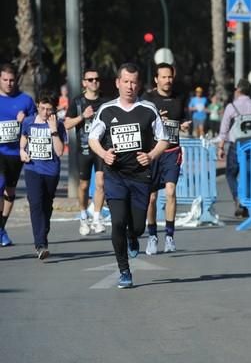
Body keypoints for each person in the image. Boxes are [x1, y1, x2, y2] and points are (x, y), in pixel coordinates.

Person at [88, 62, 169, 288]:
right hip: (115, 175)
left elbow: (164, 139)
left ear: (139, 84)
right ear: (117, 83)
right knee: (118, 222)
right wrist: (104, 154)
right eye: (125, 82)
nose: (129, 86)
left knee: (137, 227)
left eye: (133, 82)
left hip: (140, 176)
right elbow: (93, 139)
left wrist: (151, 156)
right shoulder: (106, 110)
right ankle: (124, 271)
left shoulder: (148, 109)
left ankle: (133, 238)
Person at [142, 63, 191, 255]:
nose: (167, 80)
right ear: (156, 79)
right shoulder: (147, 99)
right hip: (152, 153)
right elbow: (141, 124)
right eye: (163, 77)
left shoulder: (179, 97)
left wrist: (185, 125)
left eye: (170, 77)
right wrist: (155, 120)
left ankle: (169, 236)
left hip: (172, 151)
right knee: (151, 197)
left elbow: (184, 119)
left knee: (170, 191)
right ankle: (152, 236)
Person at [19, 95, 67, 260]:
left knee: (46, 206)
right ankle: (40, 244)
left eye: (49, 109)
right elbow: (24, 136)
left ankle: (43, 233)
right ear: (37, 107)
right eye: (43, 108)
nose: (46, 112)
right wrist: (22, 151)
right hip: (32, 168)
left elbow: (60, 151)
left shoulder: (58, 125)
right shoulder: (28, 122)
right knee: (35, 204)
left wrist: (53, 130)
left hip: (51, 171)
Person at [64, 67, 110, 236]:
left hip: (101, 148)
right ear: (84, 83)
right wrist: (83, 116)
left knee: (100, 182)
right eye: (90, 79)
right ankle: (84, 217)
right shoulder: (77, 102)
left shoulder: (106, 103)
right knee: (83, 185)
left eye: (96, 79)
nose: (94, 82)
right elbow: (66, 124)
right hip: (84, 148)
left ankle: (97, 218)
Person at [216, 78, 251, 218]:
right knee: (249, 175)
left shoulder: (231, 107)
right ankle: (247, 203)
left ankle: (238, 198)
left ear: (238, 90)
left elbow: (224, 130)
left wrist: (221, 147)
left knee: (231, 174)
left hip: (237, 145)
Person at [0, 63, 37, 246]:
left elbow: (37, 124)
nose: (8, 83)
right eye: (5, 80)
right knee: (0, 185)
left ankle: (1, 228)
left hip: (16, 153)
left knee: (10, 190)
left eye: (11, 80)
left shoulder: (26, 100)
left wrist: (26, 121)